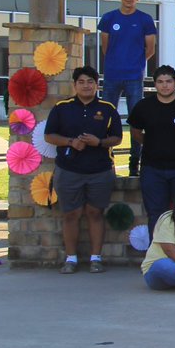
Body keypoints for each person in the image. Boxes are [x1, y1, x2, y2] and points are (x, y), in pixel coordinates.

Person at [44, 66, 122, 274]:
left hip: (100, 170)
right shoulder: (62, 107)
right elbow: (49, 135)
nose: (86, 86)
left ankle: (96, 258)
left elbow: (117, 138)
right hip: (69, 169)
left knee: (95, 213)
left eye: (90, 82)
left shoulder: (107, 109)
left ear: (97, 85)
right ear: (75, 85)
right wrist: (70, 142)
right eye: (81, 82)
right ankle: (70, 258)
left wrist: (99, 142)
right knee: (71, 214)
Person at [128, 66, 175, 239]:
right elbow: (136, 132)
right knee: (156, 214)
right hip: (153, 168)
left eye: (169, 81)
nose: (165, 86)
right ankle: (157, 255)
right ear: (155, 84)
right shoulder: (144, 106)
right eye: (160, 82)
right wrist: (153, 144)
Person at [98, 0, 156, 176]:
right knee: (105, 118)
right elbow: (105, 47)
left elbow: (150, 49)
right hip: (112, 76)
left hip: (134, 77)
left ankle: (135, 162)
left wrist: (136, 63)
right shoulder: (108, 18)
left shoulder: (145, 20)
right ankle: (106, 160)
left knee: (136, 121)